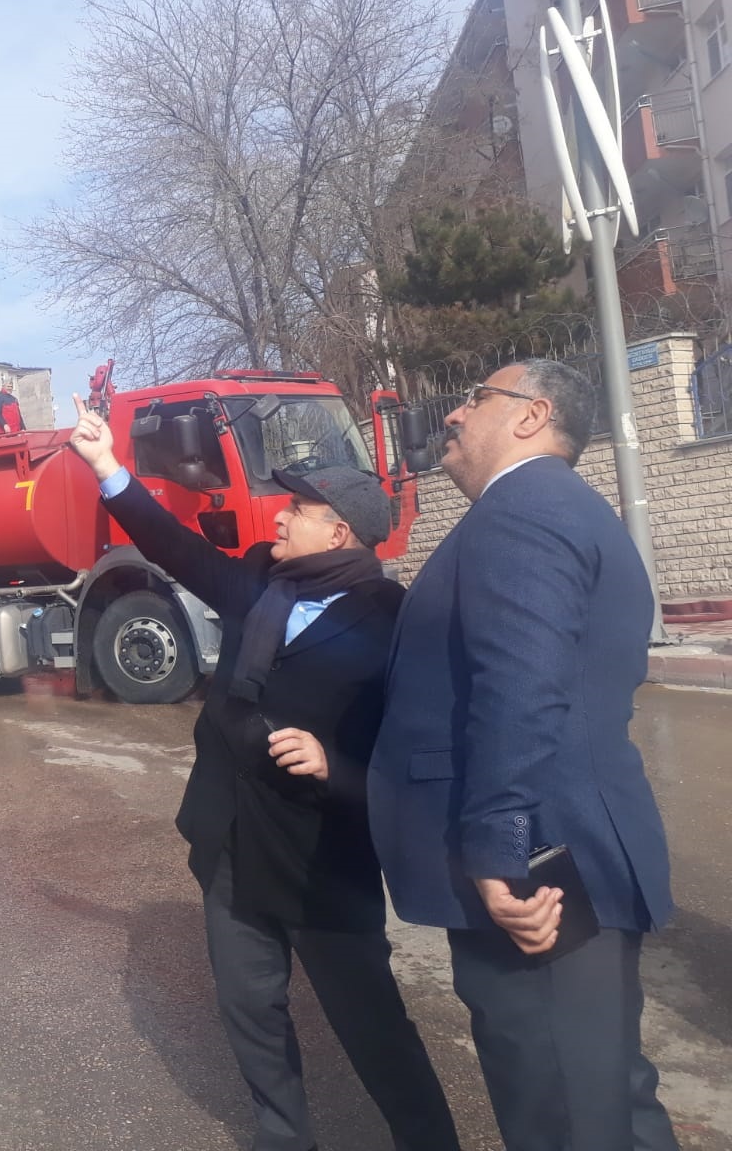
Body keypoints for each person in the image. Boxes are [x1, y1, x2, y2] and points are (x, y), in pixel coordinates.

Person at [68, 395, 458, 1151]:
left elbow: (414, 759)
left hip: (321, 863)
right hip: (234, 844)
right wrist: (105, 466)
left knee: (372, 1027)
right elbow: (174, 549)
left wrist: (332, 765)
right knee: (250, 1012)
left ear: (339, 531)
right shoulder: (262, 585)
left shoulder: (390, 620)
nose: (278, 517)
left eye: (297, 510)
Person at [370, 360, 677, 1151]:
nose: (453, 415)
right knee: (605, 1097)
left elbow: (522, 685)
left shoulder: (526, 509)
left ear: (531, 416)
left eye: (475, 398)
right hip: (564, 851)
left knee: (562, 1116)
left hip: (540, 872)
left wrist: (503, 851)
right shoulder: (551, 508)